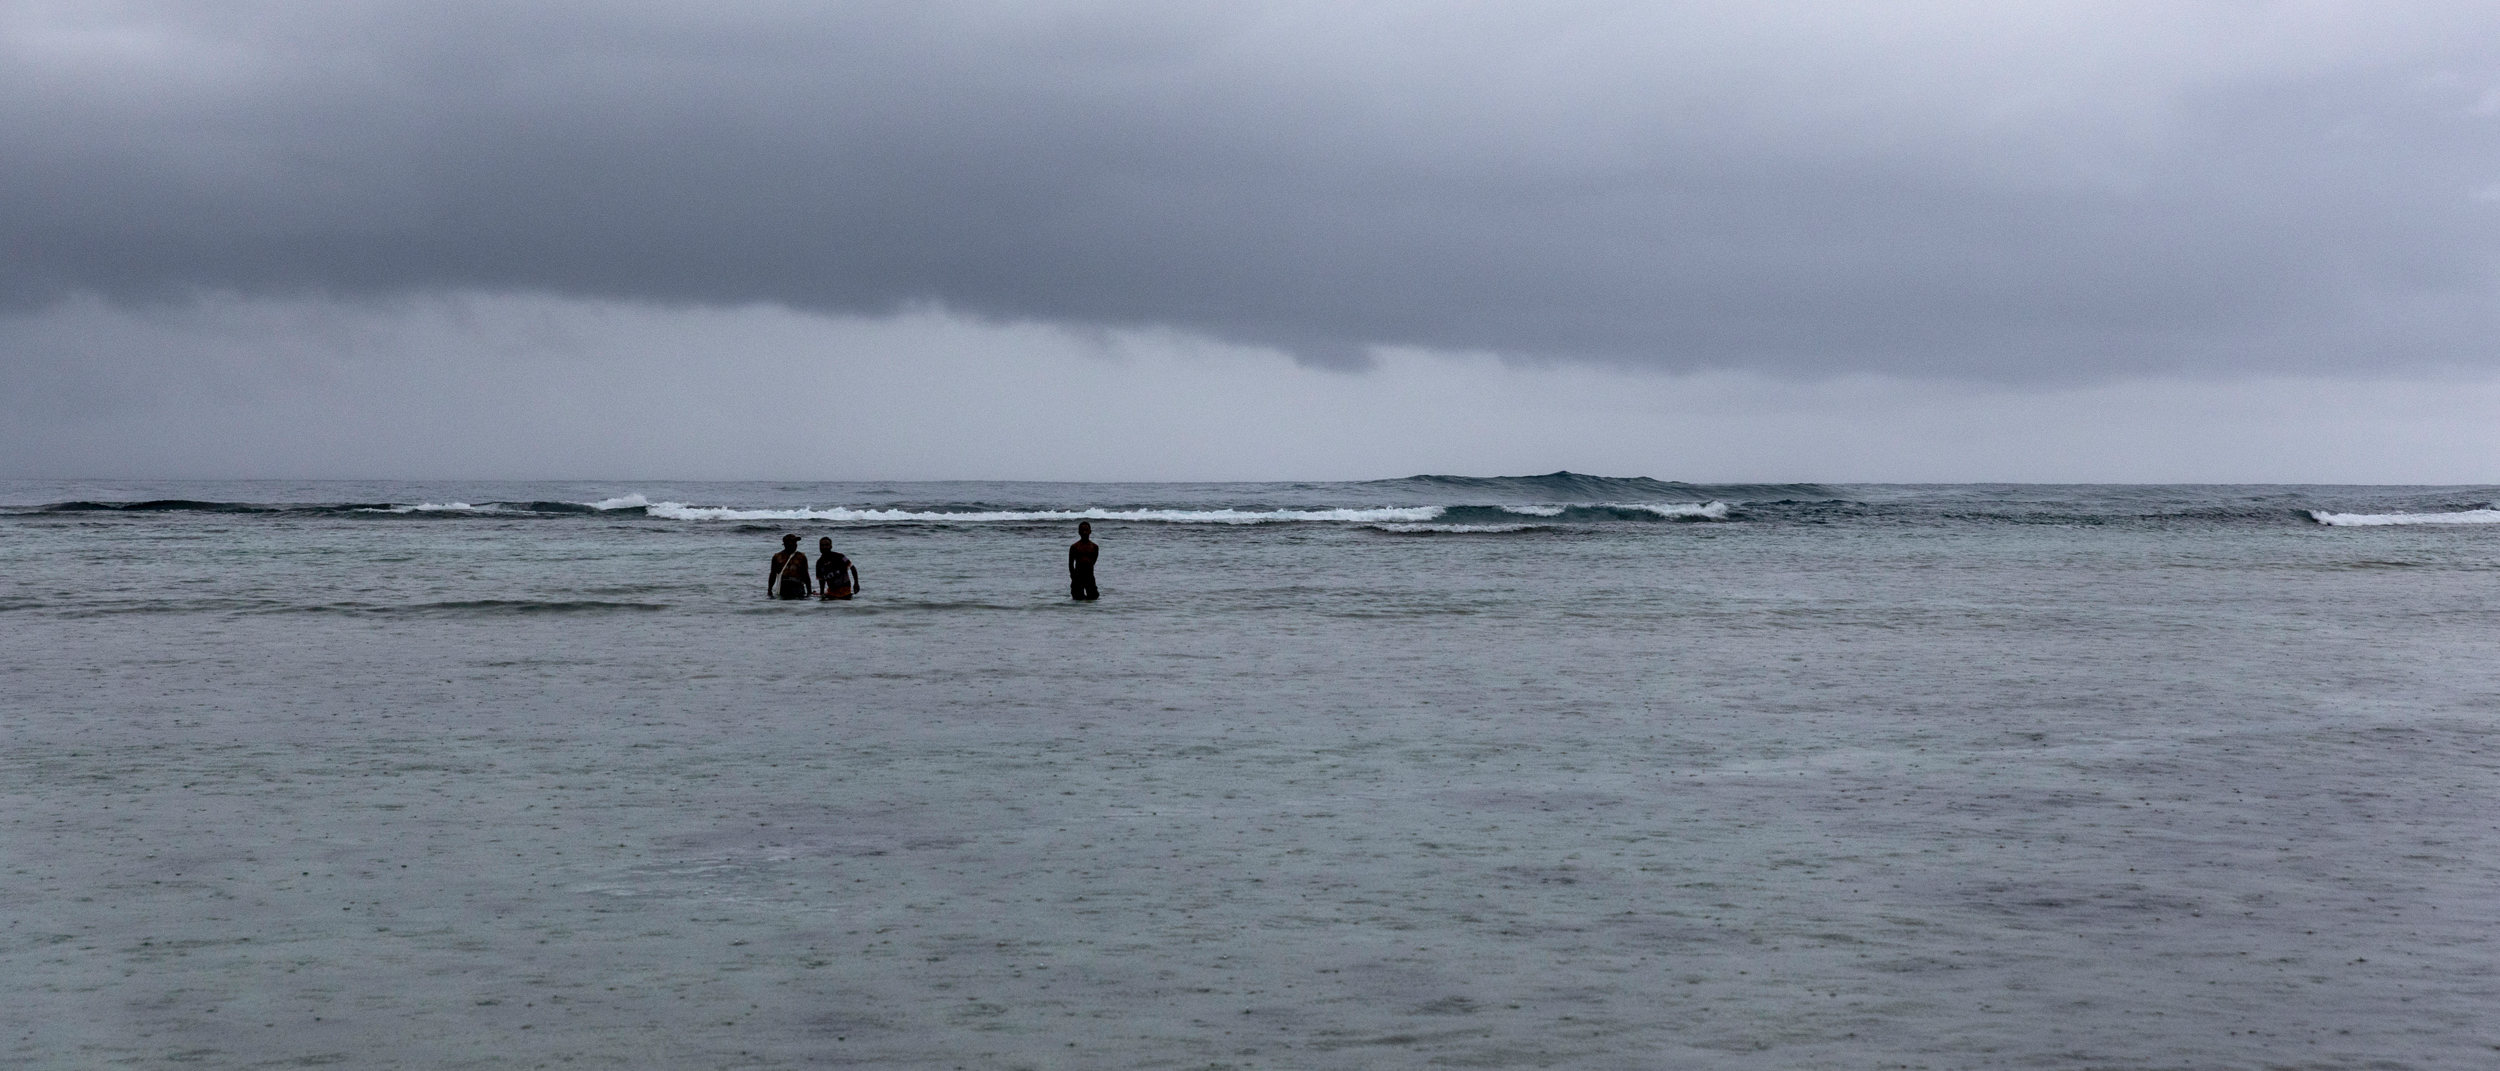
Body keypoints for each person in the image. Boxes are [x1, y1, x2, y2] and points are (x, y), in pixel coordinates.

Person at [769, 534, 813, 600]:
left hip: (798, 587)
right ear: (785, 543)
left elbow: (806, 575)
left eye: (796, 542)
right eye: (792, 542)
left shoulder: (801, 557)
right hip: (783, 587)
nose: (795, 544)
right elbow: (773, 575)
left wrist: (809, 592)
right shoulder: (777, 557)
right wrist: (769, 590)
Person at [1068, 521, 1099, 601]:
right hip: (1078, 576)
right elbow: (1071, 564)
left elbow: (1093, 561)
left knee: (1093, 598)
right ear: (1079, 532)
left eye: (1086, 530)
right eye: (1082, 530)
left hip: (1089, 576)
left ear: (1090, 531)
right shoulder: (1074, 547)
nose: (1084, 532)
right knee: (1077, 599)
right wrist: (1073, 576)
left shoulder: (1094, 547)